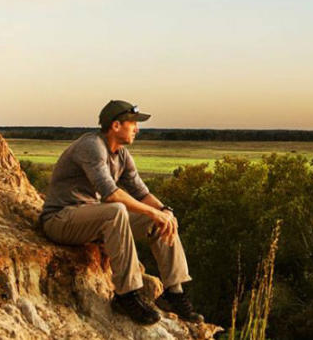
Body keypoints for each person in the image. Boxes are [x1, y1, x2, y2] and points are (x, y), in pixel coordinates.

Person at [39, 100, 202, 325]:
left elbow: (142, 193)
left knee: (161, 220)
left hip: (92, 220)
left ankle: (174, 293)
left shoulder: (122, 155)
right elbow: (110, 194)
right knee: (117, 211)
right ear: (116, 126)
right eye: (133, 123)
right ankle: (127, 295)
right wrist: (154, 212)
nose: (137, 129)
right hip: (61, 220)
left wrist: (164, 211)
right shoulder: (92, 146)